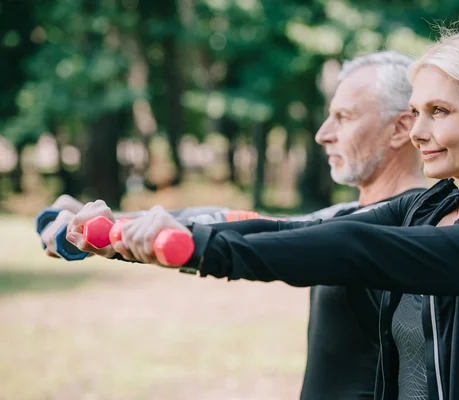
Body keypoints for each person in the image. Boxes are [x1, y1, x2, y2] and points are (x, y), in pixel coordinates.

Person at [90, 27, 459, 399]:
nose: (417, 131)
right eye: (416, 111)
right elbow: (308, 231)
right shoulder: (431, 205)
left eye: (439, 112)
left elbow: (359, 250)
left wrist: (204, 249)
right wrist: (129, 236)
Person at [41, 51, 427, 399]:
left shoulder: (423, 232)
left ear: (399, 129)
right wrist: (121, 223)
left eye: (344, 117)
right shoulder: (347, 217)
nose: (323, 133)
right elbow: (251, 223)